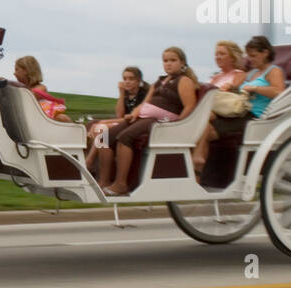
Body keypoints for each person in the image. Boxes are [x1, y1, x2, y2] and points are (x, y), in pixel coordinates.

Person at [99, 47, 199, 195]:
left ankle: (121, 184)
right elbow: (145, 103)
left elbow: (189, 106)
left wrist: (178, 126)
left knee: (124, 138)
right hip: (143, 117)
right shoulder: (159, 81)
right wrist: (134, 113)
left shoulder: (184, 81)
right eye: (165, 61)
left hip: (161, 121)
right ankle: (103, 181)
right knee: (103, 138)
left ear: (182, 62)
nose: (168, 64)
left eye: (173, 60)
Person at [192, 40, 248, 174]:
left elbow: (233, 92)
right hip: (210, 113)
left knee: (203, 122)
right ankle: (197, 173)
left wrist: (229, 86)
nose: (217, 57)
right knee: (204, 126)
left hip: (225, 114)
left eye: (222, 54)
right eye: (216, 54)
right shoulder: (215, 77)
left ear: (232, 57)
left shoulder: (239, 74)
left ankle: (198, 158)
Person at [86, 66, 146, 171]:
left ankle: (90, 160)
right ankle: (93, 161)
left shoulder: (143, 95)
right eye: (125, 79)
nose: (127, 82)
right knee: (95, 126)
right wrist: (121, 94)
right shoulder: (127, 95)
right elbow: (120, 114)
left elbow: (130, 118)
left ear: (139, 81)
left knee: (100, 128)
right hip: (124, 122)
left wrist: (104, 121)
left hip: (134, 123)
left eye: (131, 79)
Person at [10, 56, 72, 122]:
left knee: (62, 118)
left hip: (44, 119)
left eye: (16, 70)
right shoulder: (21, 88)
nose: (14, 73)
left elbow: (28, 97)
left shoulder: (40, 88)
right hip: (31, 119)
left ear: (26, 71)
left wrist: (10, 83)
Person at [238, 35, 285, 118]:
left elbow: (279, 92)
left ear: (265, 53)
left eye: (253, 56)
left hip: (256, 116)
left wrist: (254, 88)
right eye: (248, 56)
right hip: (242, 111)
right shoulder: (252, 73)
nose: (249, 59)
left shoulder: (274, 71)